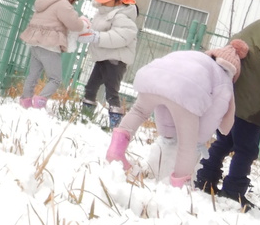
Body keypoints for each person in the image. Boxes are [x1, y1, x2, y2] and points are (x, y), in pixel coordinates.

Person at [194, 0, 260, 208]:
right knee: (246, 149)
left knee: (226, 141)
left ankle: (206, 178)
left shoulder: (259, 26)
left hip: (231, 97)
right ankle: (233, 190)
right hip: (250, 103)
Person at [105, 39, 249, 187]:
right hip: (185, 92)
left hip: (153, 77)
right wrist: (199, 138)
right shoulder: (225, 80)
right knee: (188, 143)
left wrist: (167, 133)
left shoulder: (193, 56)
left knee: (138, 111)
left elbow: (167, 99)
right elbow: (214, 115)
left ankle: (116, 151)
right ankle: (179, 184)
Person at [17, 0, 89, 108]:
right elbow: (75, 24)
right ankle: (39, 103)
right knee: (55, 79)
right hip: (49, 45)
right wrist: (84, 23)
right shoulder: (62, 4)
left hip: (35, 44)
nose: (73, 2)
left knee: (33, 75)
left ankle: (25, 101)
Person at [76, 0, 139, 126]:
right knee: (91, 87)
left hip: (116, 60)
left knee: (111, 92)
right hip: (103, 57)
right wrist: (86, 31)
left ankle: (115, 124)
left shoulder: (123, 16)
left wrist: (97, 37)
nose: (104, 2)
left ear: (119, 1)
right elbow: (96, 28)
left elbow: (122, 36)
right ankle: (85, 117)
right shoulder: (103, 13)